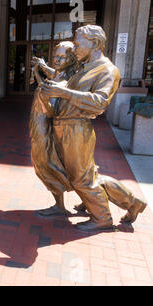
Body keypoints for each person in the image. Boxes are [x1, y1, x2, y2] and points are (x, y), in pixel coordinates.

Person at [40, 25, 147, 231]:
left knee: (82, 178)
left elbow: (99, 102)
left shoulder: (107, 70)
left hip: (76, 129)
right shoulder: (84, 66)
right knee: (87, 176)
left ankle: (102, 217)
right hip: (65, 126)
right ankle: (132, 203)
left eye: (79, 44)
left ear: (95, 43)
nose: (75, 47)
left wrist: (64, 94)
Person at [30, 42, 77, 216]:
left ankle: (60, 205)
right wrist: (40, 69)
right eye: (55, 56)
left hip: (45, 127)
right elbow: (52, 75)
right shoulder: (60, 74)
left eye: (61, 57)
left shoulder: (66, 81)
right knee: (45, 162)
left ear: (71, 59)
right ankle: (73, 200)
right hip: (38, 124)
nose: (56, 60)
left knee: (46, 163)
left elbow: (51, 109)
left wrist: (40, 80)